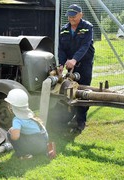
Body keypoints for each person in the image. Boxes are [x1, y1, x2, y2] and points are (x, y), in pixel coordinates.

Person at [58, 4, 95, 134]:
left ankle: (81, 122)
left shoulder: (87, 28)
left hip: (83, 65)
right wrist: (61, 64)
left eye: (74, 16)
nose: (71, 18)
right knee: (69, 91)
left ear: (81, 15)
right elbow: (61, 48)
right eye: (69, 16)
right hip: (70, 67)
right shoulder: (64, 30)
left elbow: (85, 46)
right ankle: (69, 117)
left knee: (83, 92)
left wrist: (75, 59)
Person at [6, 89, 55, 160]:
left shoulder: (17, 120)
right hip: (43, 143)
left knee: (10, 133)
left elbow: (15, 137)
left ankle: (24, 154)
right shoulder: (30, 114)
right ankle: (41, 150)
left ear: (12, 106)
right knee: (19, 132)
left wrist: (12, 132)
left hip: (35, 146)